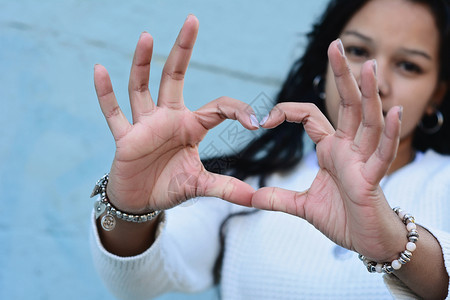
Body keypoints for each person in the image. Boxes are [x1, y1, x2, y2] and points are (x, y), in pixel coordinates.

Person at [90, 0, 450, 298]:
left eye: (409, 65)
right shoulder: (243, 183)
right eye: (356, 51)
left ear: (437, 94)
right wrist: (127, 209)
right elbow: (137, 283)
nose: (377, 81)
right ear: (322, 69)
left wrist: (395, 246)